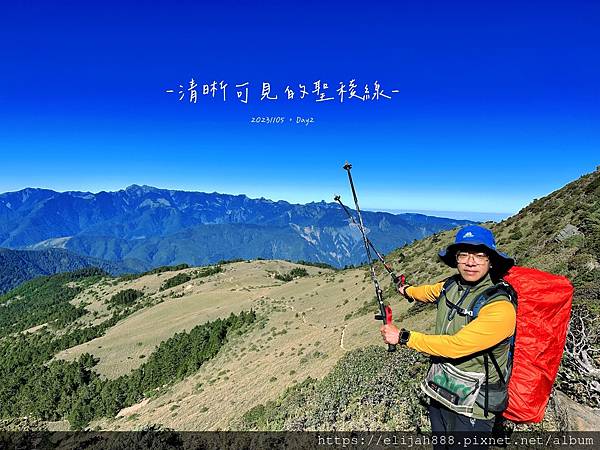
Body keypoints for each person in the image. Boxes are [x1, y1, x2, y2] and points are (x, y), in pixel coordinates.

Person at [380, 225, 516, 449]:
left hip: (474, 406)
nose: (471, 262)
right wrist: (405, 290)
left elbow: (456, 346)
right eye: (464, 255)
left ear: (491, 260)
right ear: (456, 259)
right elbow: (426, 292)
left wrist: (403, 337)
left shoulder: (500, 308)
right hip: (442, 390)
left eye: (480, 255)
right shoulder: (451, 285)